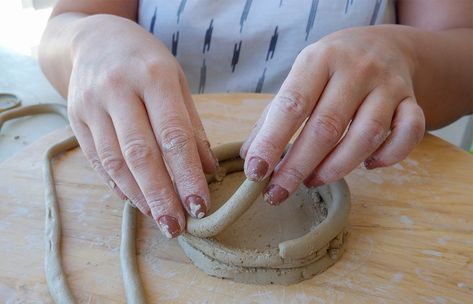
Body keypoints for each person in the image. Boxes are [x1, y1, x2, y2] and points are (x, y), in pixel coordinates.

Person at [38, 0, 473, 238]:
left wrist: (406, 54)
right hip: (158, 168)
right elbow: (62, 27)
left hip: (359, 174)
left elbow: (462, 48)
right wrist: (87, 39)